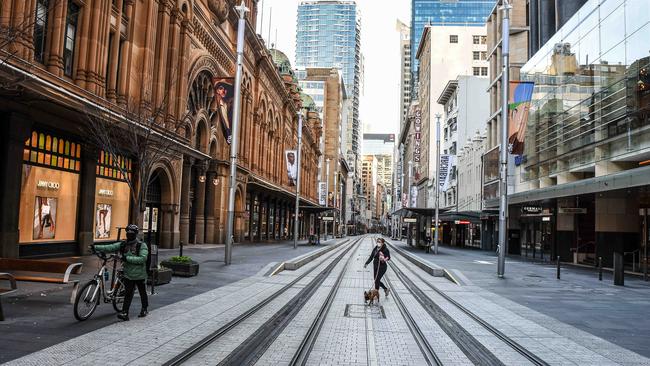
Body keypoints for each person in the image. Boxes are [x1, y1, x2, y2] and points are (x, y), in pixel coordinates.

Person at [93, 224, 149, 321]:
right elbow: (110, 247)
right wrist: (95, 247)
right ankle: (125, 312)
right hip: (128, 273)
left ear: (135, 234)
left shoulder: (141, 245)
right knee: (128, 293)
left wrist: (126, 258)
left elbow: (142, 259)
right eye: (128, 232)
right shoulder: (123, 244)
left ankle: (144, 309)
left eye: (131, 233)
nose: (129, 234)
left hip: (139, 274)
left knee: (142, 292)